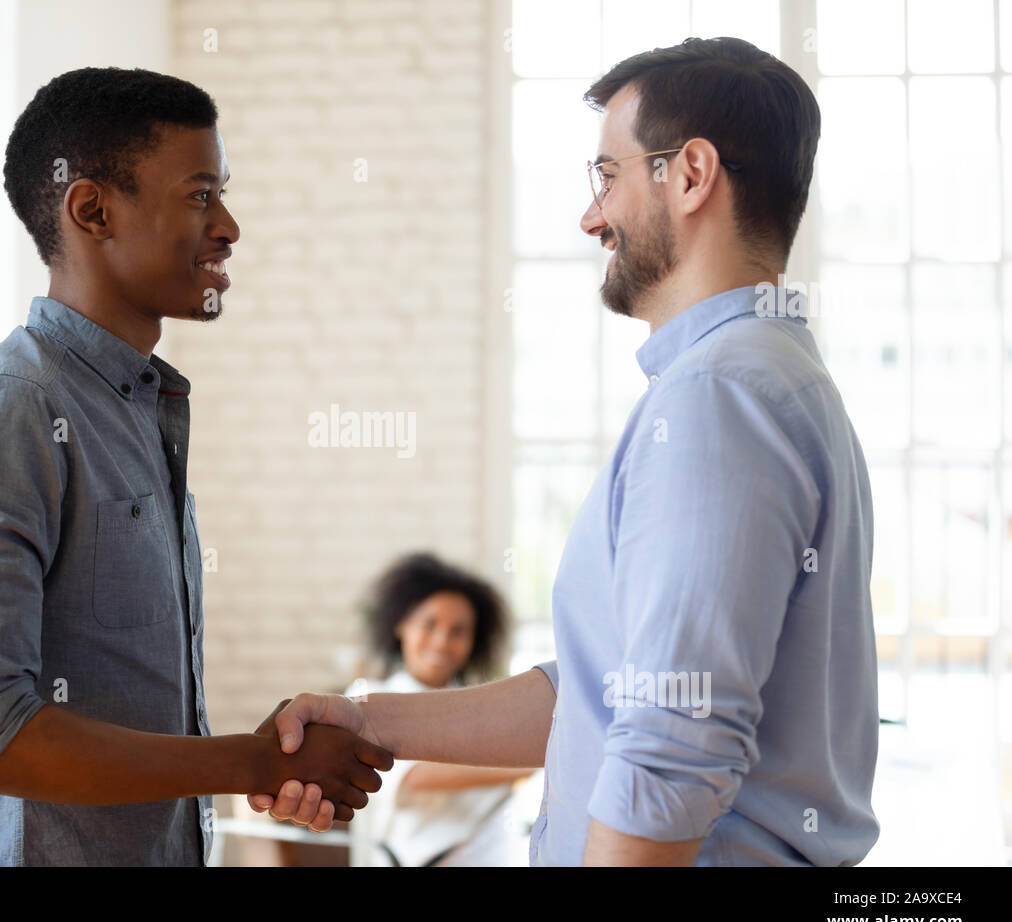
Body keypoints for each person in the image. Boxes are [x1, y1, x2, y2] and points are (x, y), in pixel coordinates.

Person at [251, 36, 880, 866]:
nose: (591, 216)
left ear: (690, 175)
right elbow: (604, 690)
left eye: (608, 176)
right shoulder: (768, 381)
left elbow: (672, 740)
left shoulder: (717, 397)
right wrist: (370, 722)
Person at [0, 67, 391, 866]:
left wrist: (261, 755)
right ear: (93, 209)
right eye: (201, 195)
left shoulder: (138, 406)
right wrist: (251, 759)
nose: (230, 225)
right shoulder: (13, 410)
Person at [344, 554, 533, 866]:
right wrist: (532, 760)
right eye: (429, 625)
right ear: (402, 624)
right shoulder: (369, 698)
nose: (442, 641)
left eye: (458, 631)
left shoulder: (477, 703)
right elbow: (415, 776)